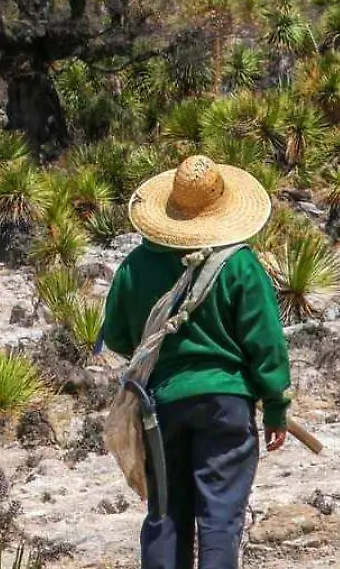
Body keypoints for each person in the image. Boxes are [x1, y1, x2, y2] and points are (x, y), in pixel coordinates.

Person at [103, 155, 292, 569]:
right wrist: (275, 405)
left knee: (165, 514)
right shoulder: (240, 264)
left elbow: (117, 336)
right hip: (226, 405)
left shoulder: (135, 267)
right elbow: (266, 344)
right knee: (220, 518)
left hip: (161, 407)